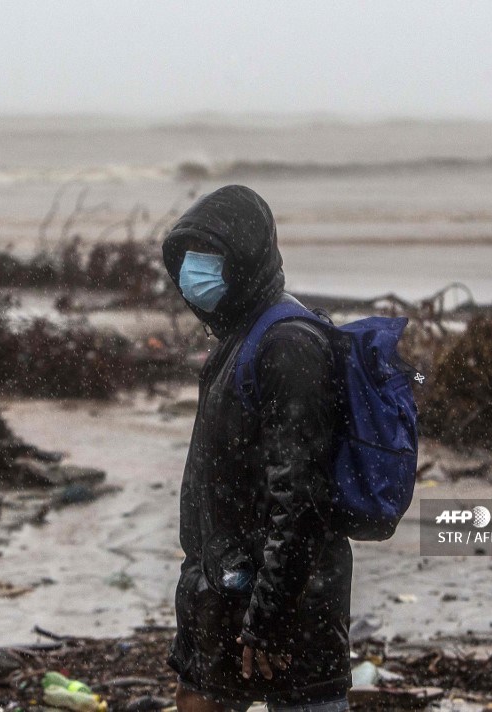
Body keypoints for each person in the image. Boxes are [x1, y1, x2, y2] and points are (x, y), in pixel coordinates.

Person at [161, 185, 352, 712]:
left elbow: (302, 499)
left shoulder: (288, 345)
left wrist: (270, 618)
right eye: (188, 259)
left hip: (289, 607)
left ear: (246, 260)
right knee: (196, 698)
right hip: (221, 590)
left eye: (212, 259)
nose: (194, 275)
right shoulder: (237, 337)